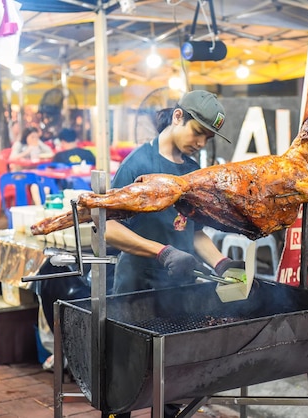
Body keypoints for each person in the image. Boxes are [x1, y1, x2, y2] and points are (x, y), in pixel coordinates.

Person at [105, 90, 243, 418]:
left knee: (171, 369)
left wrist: (221, 263)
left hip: (177, 286)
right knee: (126, 367)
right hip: (137, 282)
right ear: (178, 117)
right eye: (198, 132)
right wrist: (163, 252)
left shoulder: (193, 169)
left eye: (207, 138)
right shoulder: (138, 163)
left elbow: (191, 231)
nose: (201, 143)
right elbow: (108, 228)